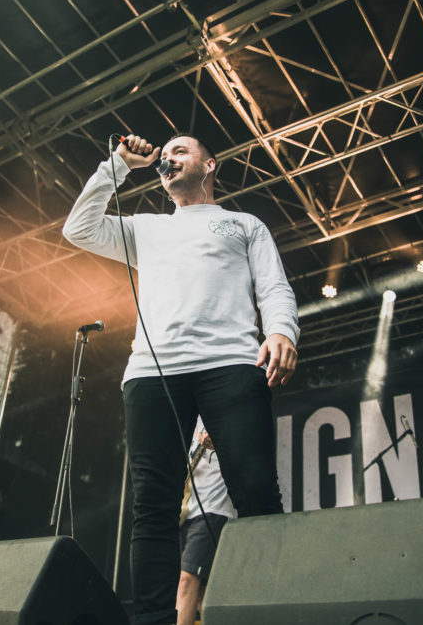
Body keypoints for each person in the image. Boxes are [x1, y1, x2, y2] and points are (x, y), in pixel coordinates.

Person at [62, 133, 299, 625]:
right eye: (164, 154)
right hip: (153, 370)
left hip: (232, 363)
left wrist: (281, 330)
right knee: (153, 506)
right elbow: (78, 228)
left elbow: (273, 285)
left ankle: (272, 611)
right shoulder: (145, 228)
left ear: (209, 165)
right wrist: (117, 165)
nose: (168, 158)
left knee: (256, 491)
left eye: (181, 151)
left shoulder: (243, 224)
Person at [176, 419, 235, 625]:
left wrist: (221, 438)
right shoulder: (189, 414)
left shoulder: (224, 402)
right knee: (201, 596)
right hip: (187, 509)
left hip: (214, 507)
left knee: (187, 581)